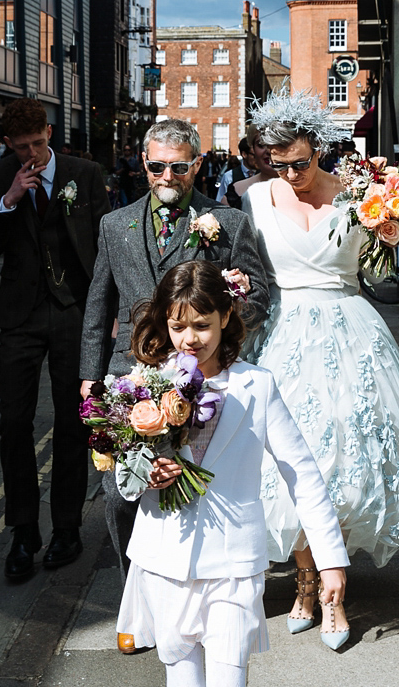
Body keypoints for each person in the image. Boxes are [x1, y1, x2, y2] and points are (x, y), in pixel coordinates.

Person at [243, 91, 399, 643]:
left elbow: (388, 281)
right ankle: (306, 582)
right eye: (278, 163)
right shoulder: (253, 198)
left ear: (320, 147)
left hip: (352, 331)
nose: (290, 174)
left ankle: (336, 592)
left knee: (348, 456)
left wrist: (392, 236)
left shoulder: (362, 194)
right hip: (283, 334)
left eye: (300, 162)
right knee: (292, 462)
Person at [79, 118, 270, 655]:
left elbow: (261, 297)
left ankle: (197, 600)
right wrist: (89, 381)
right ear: (144, 165)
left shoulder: (227, 223)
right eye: (158, 165)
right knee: (120, 493)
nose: (168, 174)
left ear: (197, 165)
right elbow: (98, 307)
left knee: (188, 489)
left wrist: (224, 322)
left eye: (179, 165)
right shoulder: (115, 225)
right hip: (131, 377)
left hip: (204, 381)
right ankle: (134, 605)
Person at [117, 262, 349, 685]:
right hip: (165, 561)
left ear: (226, 317)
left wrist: (330, 560)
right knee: (182, 679)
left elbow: (302, 474)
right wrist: (146, 474)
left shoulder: (257, 386)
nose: (190, 339)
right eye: (177, 326)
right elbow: (122, 471)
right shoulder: (145, 385)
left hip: (233, 564)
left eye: (202, 325)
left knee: (230, 678)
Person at [0, 98, 111, 583]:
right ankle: (23, 530)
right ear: (8, 145)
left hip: (74, 313)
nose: (31, 153)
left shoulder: (85, 173)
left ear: (49, 133)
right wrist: (9, 199)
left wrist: (109, 313)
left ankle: (68, 528)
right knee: (14, 422)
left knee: (74, 422)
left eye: (37, 143)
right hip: (20, 317)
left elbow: (104, 244)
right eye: (21, 147)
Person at [223, 129, 277, 210]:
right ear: (253, 149)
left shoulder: (301, 189)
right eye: (261, 144)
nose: (269, 151)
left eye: (276, 143)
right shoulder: (234, 192)